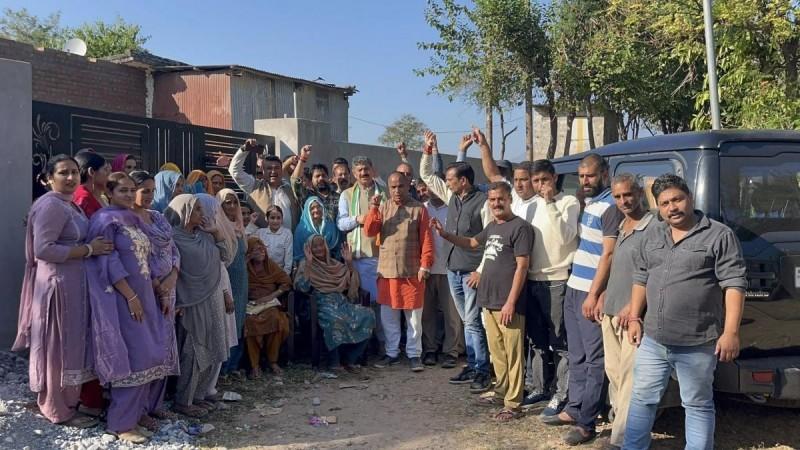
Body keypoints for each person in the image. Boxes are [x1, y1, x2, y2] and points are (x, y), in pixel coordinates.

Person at [624, 174, 747, 450]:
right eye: (665, 203)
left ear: (690, 197)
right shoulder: (653, 234)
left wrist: (730, 332)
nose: (672, 207)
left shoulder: (718, 235)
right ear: (658, 206)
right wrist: (634, 317)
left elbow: (734, 285)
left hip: (697, 342)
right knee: (642, 399)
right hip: (653, 339)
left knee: (697, 404)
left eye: (677, 199)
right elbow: (641, 277)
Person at [13, 155, 113, 428]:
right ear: (49, 178)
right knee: (57, 347)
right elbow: (44, 249)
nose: (70, 178)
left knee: (71, 346)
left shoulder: (68, 205)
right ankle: (56, 408)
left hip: (73, 286)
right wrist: (89, 250)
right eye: (63, 173)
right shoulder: (50, 206)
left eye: (73, 173)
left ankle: (68, 402)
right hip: (57, 287)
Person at [86, 172, 175, 444]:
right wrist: (131, 296)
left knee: (150, 353)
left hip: (146, 294)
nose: (127, 194)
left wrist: (158, 287)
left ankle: (136, 414)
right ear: (110, 192)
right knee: (134, 357)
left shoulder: (135, 219)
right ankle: (120, 423)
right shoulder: (104, 220)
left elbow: (147, 258)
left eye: (131, 190)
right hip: (123, 299)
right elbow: (109, 261)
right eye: (122, 190)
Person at [433, 182, 533, 421]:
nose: (496, 204)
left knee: (513, 355)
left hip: (508, 304)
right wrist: (445, 235)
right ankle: (500, 393)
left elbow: (522, 266)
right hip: (488, 301)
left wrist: (511, 302)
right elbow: (471, 243)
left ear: (509, 199)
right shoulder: (492, 226)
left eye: (501, 199)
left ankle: (513, 403)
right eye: (492, 200)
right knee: (497, 354)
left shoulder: (520, 228)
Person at [542, 153, 623, 447]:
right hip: (575, 285)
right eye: (581, 176)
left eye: (590, 175)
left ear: (604, 173)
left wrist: (596, 293)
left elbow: (609, 255)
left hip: (591, 291)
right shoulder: (589, 202)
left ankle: (587, 422)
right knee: (576, 354)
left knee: (593, 359)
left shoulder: (611, 206)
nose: (585, 181)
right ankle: (574, 408)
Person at [420, 140, 493, 394]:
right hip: (453, 268)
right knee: (467, 320)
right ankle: (473, 364)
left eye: (451, 179)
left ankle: (482, 369)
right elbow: (427, 175)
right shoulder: (453, 196)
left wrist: (481, 270)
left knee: (473, 322)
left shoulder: (484, 202)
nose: (446, 182)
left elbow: (489, 241)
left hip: (472, 270)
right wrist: (428, 151)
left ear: (463, 181)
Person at [595, 174, 654, 450]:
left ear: (639, 193)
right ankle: (622, 428)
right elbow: (619, 267)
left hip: (632, 316)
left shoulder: (654, 227)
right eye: (617, 196)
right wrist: (603, 293)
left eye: (628, 195)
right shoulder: (621, 224)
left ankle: (622, 439)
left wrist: (634, 310)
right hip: (610, 311)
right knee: (614, 373)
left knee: (631, 377)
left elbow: (652, 273)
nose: (623, 201)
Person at [520, 160, 580, 414]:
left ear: (554, 178)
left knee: (560, 341)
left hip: (557, 279)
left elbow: (566, 236)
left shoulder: (568, 203)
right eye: (536, 181)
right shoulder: (530, 206)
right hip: (531, 279)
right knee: (537, 340)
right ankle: (540, 387)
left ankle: (562, 393)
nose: (540, 186)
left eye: (544, 180)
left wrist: (550, 203)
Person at [164, 194, 230, 418]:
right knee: (192, 351)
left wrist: (216, 232)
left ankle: (198, 396)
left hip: (211, 298)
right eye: (197, 210)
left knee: (212, 348)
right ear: (184, 212)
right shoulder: (172, 239)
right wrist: (176, 300)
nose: (203, 214)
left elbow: (225, 257)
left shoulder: (203, 236)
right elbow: (168, 272)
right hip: (189, 302)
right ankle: (183, 401)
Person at [364, 172, 434, 372]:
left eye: (400, 186)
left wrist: (425, 265)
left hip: (412, 271)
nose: (396, 190)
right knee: (389, 317)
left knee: (413, 319)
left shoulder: (419, 209)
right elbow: (370, 231)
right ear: (388, 188)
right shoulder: (384, 207)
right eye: (393, 187)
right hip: (387, 272)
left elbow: (427, 240)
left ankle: (414, 355)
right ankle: (392, 353)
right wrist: (374, 207)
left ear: (407, 186)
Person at [129, 171, 181, 427]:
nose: (149, 195)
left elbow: (173, 249)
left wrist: (172, 276)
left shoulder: (158, 217)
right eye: (144, 190)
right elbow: (135, 258)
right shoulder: (127, 222)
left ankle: (156, 404)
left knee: (163, 346)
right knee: (145, 348)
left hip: (168, 289)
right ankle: (138, 409)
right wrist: (157, 285)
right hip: (145, 291)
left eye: (152, 190)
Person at [295, 236, 376, 373]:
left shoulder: (335, 264)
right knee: (334, 320)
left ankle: (350, 359)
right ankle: (334, 362)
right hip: (320, 303)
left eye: (321, 245)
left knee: (368, 315)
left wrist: (349, 263)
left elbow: (351, 284)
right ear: (309, 249)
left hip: (341, 301)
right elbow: (302, 288)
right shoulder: (305, 264)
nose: (319, 249)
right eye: (315, 246)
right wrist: (309, 264)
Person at [337, 156, 387, 354]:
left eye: (366, 169)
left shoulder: (384, 193)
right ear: (353, 173)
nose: (363, 173)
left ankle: (383, 345)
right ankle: (362, 348)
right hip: (359, 257)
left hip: (383, 255)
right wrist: (360, 218)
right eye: (359, 170)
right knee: (362, 302)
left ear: (372, 169)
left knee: (382, 304)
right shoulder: (347, 195)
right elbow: (341, 223)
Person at [416, 179, 464, 369]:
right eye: (429, 185)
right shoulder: (421, 209)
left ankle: (451, 351)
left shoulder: (453, 207)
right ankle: (429, 350)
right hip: (426, 269)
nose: (432, 189)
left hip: (449, 269)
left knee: (451, 314)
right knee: (427, 314)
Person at [244, 237, 292, 378]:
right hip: (251, 305)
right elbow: (236, 281)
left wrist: (271, 296)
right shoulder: (245, 267)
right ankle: (255, 366)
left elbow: (286, 282)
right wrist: (246, 261)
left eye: (262, 249)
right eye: (256, 250)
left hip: (269, 304)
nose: (261, 252)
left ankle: (273, 361)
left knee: (276, 320)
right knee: (250, 323)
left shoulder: (270, 266)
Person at [228, 139, 299, 230]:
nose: (273, 171)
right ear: (263, 170)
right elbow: (234, 171)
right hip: (260, 242)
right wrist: (244, 149)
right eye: (269, 168)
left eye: (276, 168)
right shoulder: (253, 186)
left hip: (288, 241)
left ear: (281, 170)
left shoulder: (289, 188)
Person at [217, 188, 251, 379]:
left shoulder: (239, 226)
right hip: (225, 281)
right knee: (226, 323)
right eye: (226, 203)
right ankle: (221, 369)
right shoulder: (218, 226)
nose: (231, 206)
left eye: (234, 202)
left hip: (241, 280)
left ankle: (232, 366)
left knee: (238, 322)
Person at [291, 145, 341, 223]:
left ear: (328, 178)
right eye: (317, 176)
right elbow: (295, 181)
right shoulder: (307, 195)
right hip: (312, 235)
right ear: (311, 180)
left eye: (324, 175)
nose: (321, 178)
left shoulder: (339, 197)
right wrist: (302, 159)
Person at [296, 196, 340, 264]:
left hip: (330, 262)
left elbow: (337, 249)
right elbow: (298, 253)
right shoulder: (301, 229)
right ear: (307, 211)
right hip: (309, 264)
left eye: (318, 206)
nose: (316, 210)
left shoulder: (330, 226)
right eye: (312, 208)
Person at [253, 205, 293, 274]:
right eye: (272, 218)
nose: (275, 221)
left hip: (280, 272)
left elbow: (288, 258)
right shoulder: (260, 232)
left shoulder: (287, 234)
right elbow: (248, 239)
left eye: (278, 218)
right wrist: (251, 223)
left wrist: (285, 276)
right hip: (262, 272)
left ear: (282, 219)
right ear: (266, 218)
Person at [73, 150, 110, 218]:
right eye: (105, 169)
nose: (109, 174)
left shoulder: (98, 196)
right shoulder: (83, 198)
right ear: (91, 172)